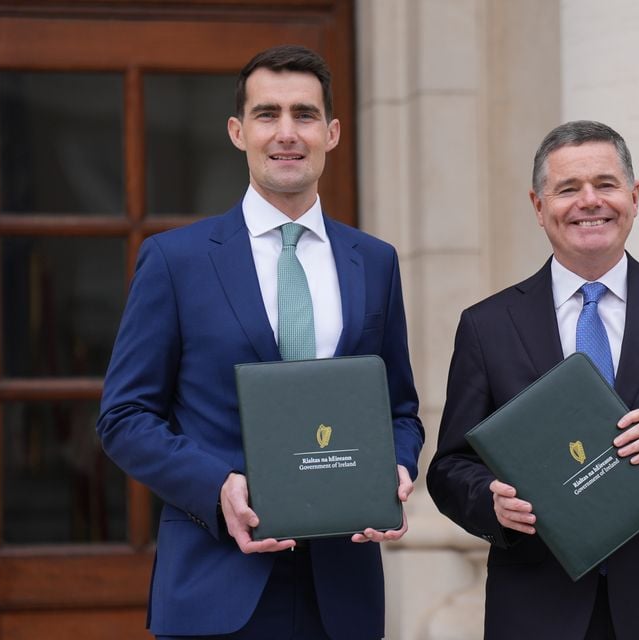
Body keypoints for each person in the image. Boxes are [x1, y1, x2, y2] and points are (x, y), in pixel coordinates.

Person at [97, 45, 423, 640]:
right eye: (267, 114)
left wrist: (396, 467)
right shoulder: (177, 261)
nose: (286, 133)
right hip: (215, 583)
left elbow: (399, 407)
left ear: (332, 132)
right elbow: (124, 416)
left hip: (342, 592)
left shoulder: (374, 262)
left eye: (304, 114)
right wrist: (216, 486)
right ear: (237, 131)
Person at [426, 120, 639, 640]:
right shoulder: (487, 326)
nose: (589, 201)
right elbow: (450, 468)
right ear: (538, 206)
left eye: (606, 185)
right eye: (568, 189)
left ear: (634, 198)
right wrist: (491, 503)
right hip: (536, 604)